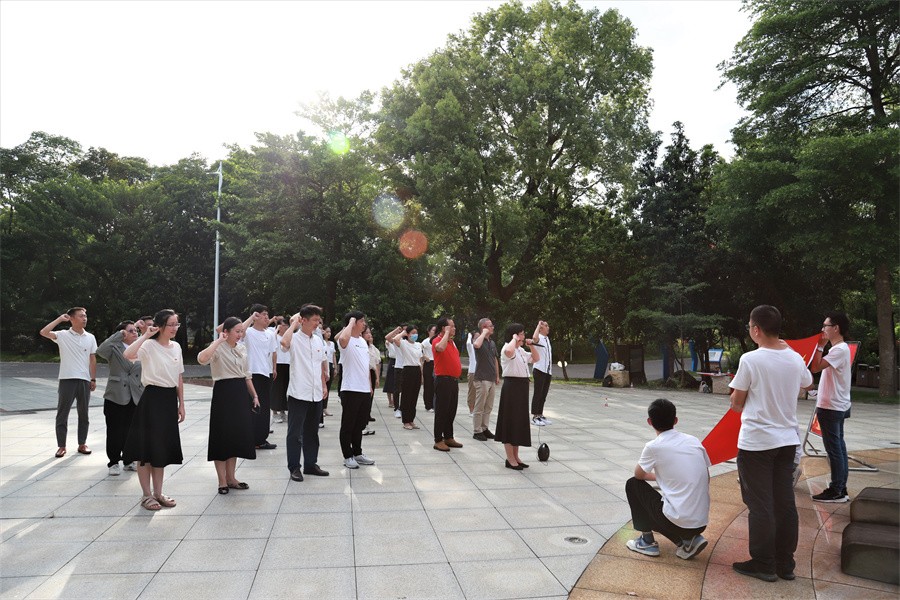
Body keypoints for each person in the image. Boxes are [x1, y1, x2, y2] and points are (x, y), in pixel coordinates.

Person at [728, 305, 813, 582]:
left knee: (760, 504)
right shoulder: (794, 358)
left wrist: (737, 398)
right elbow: (808, 383)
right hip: (787, 441)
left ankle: (764, 563)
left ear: (756, 330)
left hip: (757, 442)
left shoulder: (750, 359)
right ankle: (785, 563)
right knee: (784, 502)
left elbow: (737, 403)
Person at [624, 399, 711, 560]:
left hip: (679, 522)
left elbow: (639, 475)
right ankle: (688, 540)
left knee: (633, 485)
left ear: (649, 422)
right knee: (668, 508)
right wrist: (667, 479)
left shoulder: (653, 446)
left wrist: (662, 478)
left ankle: (647, 542)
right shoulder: (693, 440)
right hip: (701, 522)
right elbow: (706, 477)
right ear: (675, 420)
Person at [123, 309, 186, 511]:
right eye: (171, 324)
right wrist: (145, 336)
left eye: (177, 324)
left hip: (169, 400)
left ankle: (158, 493)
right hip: (152, 399)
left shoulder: (176, 347)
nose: (175, 328)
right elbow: (128, 354)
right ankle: (146, 495)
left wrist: (181, 403)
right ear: (160, 326)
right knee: (146, 449)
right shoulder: (149, 345)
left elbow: (179, 376)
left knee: (161, 449)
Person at [197, 317, 259, 494]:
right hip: (223, 393)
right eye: (237, 331)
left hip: (240, 393)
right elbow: (202, 359)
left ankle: (232, 478)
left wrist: (254, 395)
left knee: (235, 436)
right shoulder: (218, 347)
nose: (240, 334)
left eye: (242, 331)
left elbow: (246, 374)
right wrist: (218, 341)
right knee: (222, 436)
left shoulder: (241, 348)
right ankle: (222, 481)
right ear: (226, 332)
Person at [280, 304, 330, 482]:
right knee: (295, 433)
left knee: (312, 432)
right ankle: (294, 467)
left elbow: (320, 365)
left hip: (316, 393)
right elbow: (284, 343)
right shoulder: (293, 338)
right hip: (299, 393)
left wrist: (324, 385)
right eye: (315, 320)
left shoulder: (318, 340)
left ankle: (310, 464)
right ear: (304, 320)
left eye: (319, 320)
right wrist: (294, 324)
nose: (318, 323)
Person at [40, 307, 97, 458]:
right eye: (81, 316)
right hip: (67, 379)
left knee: (84, 413)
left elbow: (92, 359)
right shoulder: (63, 335)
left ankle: (82, 443)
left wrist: (93, 378)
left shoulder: (90, 337)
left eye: (85, 316)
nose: (84, 318)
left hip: (84, 379)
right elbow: (44, 332)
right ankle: (61, 446)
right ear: (71, 318)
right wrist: (59, 319)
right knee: (62, 413)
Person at [809, 312, 852, 503]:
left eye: (825, 326)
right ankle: (841, 488)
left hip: (831, 406)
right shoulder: (841, 349)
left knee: (834, 449)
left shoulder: (838, 350)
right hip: (837, 404)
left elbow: (816, 367)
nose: (822, 329)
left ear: (836, 328)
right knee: (838, 448)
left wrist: (820, 345)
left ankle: (836, 490)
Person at [96, 321, 143, 476]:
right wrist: (119, 335)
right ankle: (114, 462)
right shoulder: (114, 347)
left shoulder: (141, 347)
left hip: (135, 395)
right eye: (130, 331)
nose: (135, 333)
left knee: (131, 431)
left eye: (136, 330)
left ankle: (129, 460)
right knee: (114, 430)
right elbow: (100, 351)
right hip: (116, 394)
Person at [495, 323, 539, 469]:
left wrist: (531, 346)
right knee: (510, 421)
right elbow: (509, 351)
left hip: (522, 387)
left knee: (518, 422)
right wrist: (514, 339)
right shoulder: (507, 348)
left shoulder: (520, 350)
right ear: (514, 335)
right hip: (511, 387)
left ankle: (516, 456)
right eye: (521, 334)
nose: (523, 336)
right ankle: (510, 458)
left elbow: (536, 358)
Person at [337, 311, 376, 469]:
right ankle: (348, 456)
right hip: (350, 389)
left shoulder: (362, 341)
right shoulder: (345, 340)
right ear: (353, 323)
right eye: (361, 321)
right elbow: (342, 339)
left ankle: (358, 453)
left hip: (364, 389)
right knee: (348, 425)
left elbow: (365, 366)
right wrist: (351, 321)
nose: (364, 323)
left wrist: (369, 385)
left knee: (359, 425)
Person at [242, 304, 278, 450]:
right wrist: (251, 318)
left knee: (265, 407)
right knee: (252, 406)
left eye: (267, 314)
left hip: (265, 373)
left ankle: (261, 439)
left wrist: (274, 368)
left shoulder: (270, 334)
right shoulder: (248, 332)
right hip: (252, 373)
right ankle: (250, 438)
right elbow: (240, 331)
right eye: (263, 314)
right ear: (255, 316)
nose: (266, 317)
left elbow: (273, 352)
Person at [432, 317, 463, 452]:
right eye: (451, 326)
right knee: (442, 411)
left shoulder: (452, 342)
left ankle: (448, 437)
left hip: (453, 381)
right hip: (443, 380)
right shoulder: (437, 340)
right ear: (444, 328)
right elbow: (440, 348)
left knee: (451, 410)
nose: (454, 328)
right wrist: (446, 333)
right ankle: (438, 440)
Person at [387, 325, 424, 430]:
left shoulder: (418, 345)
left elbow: (420, 360)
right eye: (412, 333)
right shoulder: (403, 343)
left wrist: (421, 374)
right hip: (407, 370)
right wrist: (403, 332)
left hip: (417, 370)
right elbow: (395, 339)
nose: (415, 335)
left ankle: (411, 420)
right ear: (408, 334)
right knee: (406, 396)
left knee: (414, 397)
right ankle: (406, 421)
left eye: (416, 333)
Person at [472, 318, 500, 441]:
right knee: (480, 406)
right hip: (481, 378)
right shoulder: (478, 339)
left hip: (491, 378)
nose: (493, 327)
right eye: (490, 325)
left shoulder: (492, 343)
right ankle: (477, 431)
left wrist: (497, 376)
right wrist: (483, 333)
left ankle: (484, 428)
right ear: (484, 327)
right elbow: (476, 345)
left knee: (488, 406)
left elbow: (495, 360)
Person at [530, 320, 553, 426]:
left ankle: (540, 414)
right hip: (539, 370)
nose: (548, 327)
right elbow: (534, 338)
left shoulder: (546, 339)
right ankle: (534, 417)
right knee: (538, 394)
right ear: (541, 329)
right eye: (546, 326)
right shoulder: (538, 337)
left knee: (543, 395)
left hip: (547, 371)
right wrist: (538, 325)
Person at [272, 316, 290, 424]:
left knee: (285, 388)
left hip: (287, 364)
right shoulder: (275, 336)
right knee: (276, 388)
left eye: (287, 325)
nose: (286, 327)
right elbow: (271, 339)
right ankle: (275, 412)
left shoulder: (288, 337)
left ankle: (283, 411)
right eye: (284, 325)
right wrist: (276, 329)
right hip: (278, 364)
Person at [363, 326, 380, 436]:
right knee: (364, 400)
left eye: (370, 333)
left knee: (369, 399)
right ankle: (362, 425)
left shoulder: (372, 347)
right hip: (364, 373)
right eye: (367, 333)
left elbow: (376, 363)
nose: (369, 335)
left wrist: (377, 377)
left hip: (371, 373)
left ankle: (365, 423)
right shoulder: (361, 346)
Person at [322, 326, 337, 419]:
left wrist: (335, 367)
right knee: (322, 387)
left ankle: (325, 407)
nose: (328, 333)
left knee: (328, 387)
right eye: (327, 332)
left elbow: (333, 355)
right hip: (324, 365)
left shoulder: (332, 344)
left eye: (330, 332)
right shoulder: (321, 342)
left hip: (330, 365)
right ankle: (321, 408)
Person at [421, 325, 437, 413]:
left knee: (436, 385)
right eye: (433, 330)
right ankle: (428, 405)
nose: (435, 332)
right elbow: (418, 350)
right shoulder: (426, 341)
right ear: (429, 331)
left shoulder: (437, 340)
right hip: (429, 363)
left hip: (436, 363)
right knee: (428, 385)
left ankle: (435, 404)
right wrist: (424, 356)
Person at [465, 329, 478, 416]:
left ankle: (477, 409)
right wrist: (469, 335)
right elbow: (468, 343)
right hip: (473, 372)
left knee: (480, 393)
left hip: (481, 373)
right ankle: (471, 410)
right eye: (475, 338)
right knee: (472, 392)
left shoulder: (481, 348)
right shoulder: (471, 347)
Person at [382, 341, 397, 408]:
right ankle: (390, 401)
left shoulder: (400, 342)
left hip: (399, 361)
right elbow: (387, 341)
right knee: (389, 382)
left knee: (396, 382)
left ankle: (394, 401)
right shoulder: (389, 343)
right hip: (392, 361)